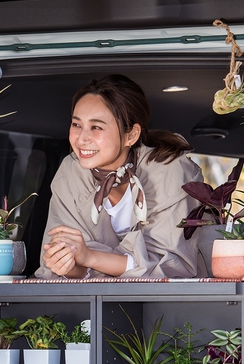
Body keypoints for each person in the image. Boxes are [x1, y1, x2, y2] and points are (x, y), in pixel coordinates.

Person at [35, 74, 204, 279]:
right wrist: (65, 263)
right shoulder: (71, 171)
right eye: (76, 124)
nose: (81, 139)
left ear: (131, 135)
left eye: (96, 127)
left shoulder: (170, 171)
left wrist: (90, 257)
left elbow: (171, 267)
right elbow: (72, 267)